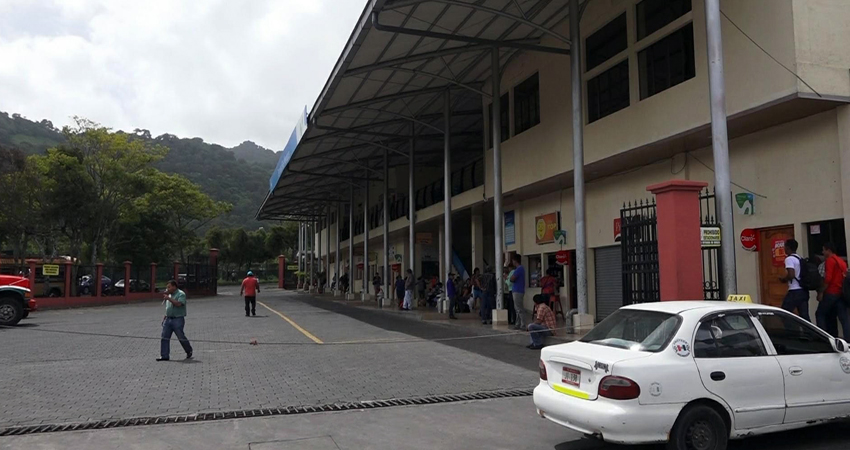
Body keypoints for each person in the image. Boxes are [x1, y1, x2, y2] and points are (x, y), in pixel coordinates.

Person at [817, 242, 849, 337]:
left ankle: (822, 337)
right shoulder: (841, 261)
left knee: (820, 314)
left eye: (824, 250)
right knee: (843, 318)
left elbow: (828, 278)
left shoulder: (830, 261)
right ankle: (848, 339)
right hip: (841, 292)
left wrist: (821, 292)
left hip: (831, 292)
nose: (823, 252)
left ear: (829, 250)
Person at [157, 280, 193, 361]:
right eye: (167, 287)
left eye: (169, 287)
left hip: (178, 319)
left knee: (180, 336)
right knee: (164, 337)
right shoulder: (169, 295)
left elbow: (179, 304)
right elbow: (168, 308)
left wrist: (169, 299)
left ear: (174, 286)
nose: (167, 289)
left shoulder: (181, 294)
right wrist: (165, 317)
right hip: (168, 319)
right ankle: (164, 355)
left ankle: (188, 350)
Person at [780, 239, 811, 321]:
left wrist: (784, 279)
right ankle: (808, 329)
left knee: (784, 314)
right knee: (804, 317)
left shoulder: (789, 259)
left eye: (785, 247)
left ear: (788, 247)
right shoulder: (799, 258)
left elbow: (791, 274)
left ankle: (790, 329)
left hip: (794, 291)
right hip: (803, 291)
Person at [510, 254, 526, 330]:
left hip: (518, 290)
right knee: (517, 309)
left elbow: (512, 278)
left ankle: (523, 324)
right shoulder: (519, 269)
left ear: (515, 261)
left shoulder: (519, 269)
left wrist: (511, 277)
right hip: (517, 290)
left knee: (519, 308)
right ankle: (518, 324)